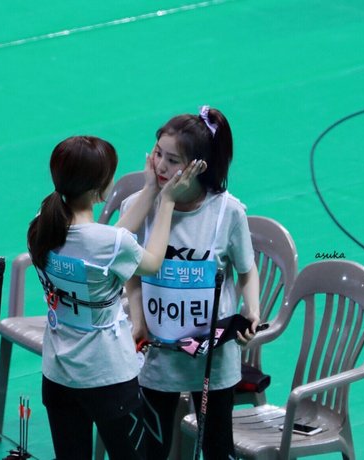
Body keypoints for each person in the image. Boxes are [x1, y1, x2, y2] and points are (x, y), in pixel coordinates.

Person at [26, 135, 204, 460]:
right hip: (108, 378)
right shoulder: (108, 243)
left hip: (58, 377)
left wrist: (150, 189)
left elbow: (109, 242)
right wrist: (166, 201)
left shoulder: (42, 225)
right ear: (99, 186)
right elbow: (151, 262)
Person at [121, 106, 260, 460]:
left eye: (172, 160)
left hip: (212, 359)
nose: (161, 166)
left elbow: (246, 270)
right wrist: (138, 320)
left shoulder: (228, 212)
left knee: (217, 449)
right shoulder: (138, 208)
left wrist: (252, 311)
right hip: (157, 356)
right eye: (158, 154)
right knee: (149, 451)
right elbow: (131, 274)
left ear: (199, 166)